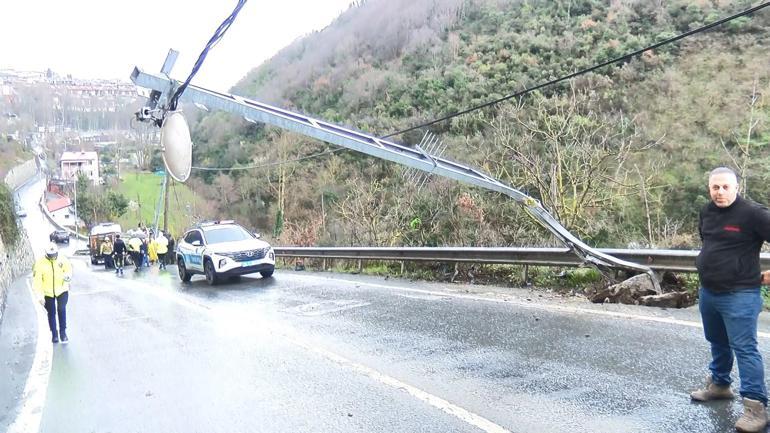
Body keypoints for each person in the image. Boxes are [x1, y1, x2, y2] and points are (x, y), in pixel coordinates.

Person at [690, 167, 770, 432]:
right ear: (709, 188)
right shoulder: (707, 211)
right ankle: (720, 385)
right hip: (709, 291)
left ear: (736, 187)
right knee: (717, 341)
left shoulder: (752, 213)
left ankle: (756, 408)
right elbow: (709, 243)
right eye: (715, 187)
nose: (720, 192)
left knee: (745, 349)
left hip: (741, 293)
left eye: (725, 187)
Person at [32, 243, 73, 343]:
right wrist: (40, 297)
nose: (53, 257)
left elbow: (68, 270)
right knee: (51, 313)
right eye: (51, 255)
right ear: (46, 254)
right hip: (48, 292)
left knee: (61, 309)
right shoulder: (40, 263)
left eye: (54, 254)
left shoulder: (62, 259)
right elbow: (37, 282)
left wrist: (68, 279)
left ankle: (63, 333)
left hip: (62, 289)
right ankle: (54, 334)